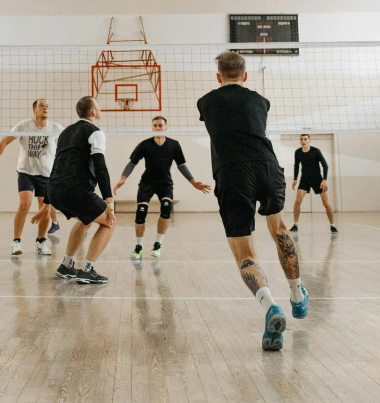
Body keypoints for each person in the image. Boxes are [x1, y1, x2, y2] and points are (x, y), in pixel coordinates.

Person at [197, 51, 308, 351]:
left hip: (233, 174)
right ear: (245, 76)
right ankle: (297, 296)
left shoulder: (206, 102)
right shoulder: (261, 101)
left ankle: (271, 306)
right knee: (279, 231)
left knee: (244, 253)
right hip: (267, 167)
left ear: (218, 76)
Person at [36, 95, 116, 285]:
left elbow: (56, 165)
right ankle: (88, 269)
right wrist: (109, 201)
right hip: (75, 190)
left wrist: (47, 201)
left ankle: (67, 265)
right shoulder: (95, 132)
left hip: (55, 189)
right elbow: (101, 168)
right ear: (93, 112)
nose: (100, 109)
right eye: (98, 106)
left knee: (86, 220)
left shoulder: (66, 132)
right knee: (109, 222)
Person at [113, 115, 210, 259]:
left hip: (165, 184)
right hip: (147, 183)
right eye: (155, 126)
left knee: (166, 209)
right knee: (141, 212)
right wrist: (122, 179)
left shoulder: (174, 145)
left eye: (160, 125)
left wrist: (193, 182)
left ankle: (157, 245)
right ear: (152, 128)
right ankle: (139, 247)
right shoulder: (144, 145)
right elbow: (131, 163)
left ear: (166, 127)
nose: (158, 128)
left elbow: (181, 165)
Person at [0, 99, 63, 256]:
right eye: (42, 105)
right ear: (34, 109)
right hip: (26, 172)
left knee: (44, 209)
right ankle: (16, 242)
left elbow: (72, 138)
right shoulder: (24, 126)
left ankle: (40, 241)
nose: (46, 108)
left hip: (46, 174)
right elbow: (4, 141)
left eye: (47, 106)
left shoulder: (55, 128)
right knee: (24, 204)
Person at [291, 134, 338, 233]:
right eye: (301, 139)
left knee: (326, 202)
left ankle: (332, 225)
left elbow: (325, 166)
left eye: (305, 139)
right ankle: (295, 225)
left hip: (317, 179)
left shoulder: (316, 151)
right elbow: (296, 166)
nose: (303, 141)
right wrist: (295, 179)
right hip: (305, 179)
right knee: (297, 201)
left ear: (309, 141)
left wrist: (324, 179)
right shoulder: (298, 152)